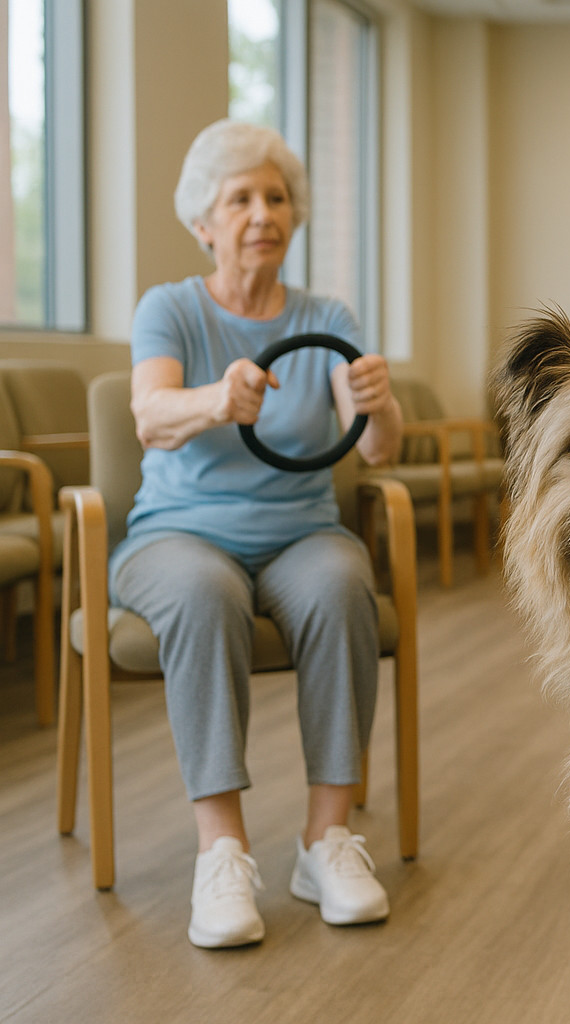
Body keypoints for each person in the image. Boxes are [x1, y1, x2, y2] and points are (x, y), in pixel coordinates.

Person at [112, 119, 405, 949]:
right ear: (204, 222)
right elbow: (149, 415)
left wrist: (380, 403)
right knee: (205, 594)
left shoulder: (328, 316)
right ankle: (222, 849)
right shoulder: (169, 309)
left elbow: (377, 449)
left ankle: (325, 840)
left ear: (295, 214)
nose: (261, 212)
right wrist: (218, 397)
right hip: (176, 536)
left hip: (300, 533)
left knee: (345, 580)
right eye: (239, 198)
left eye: (275, 197)